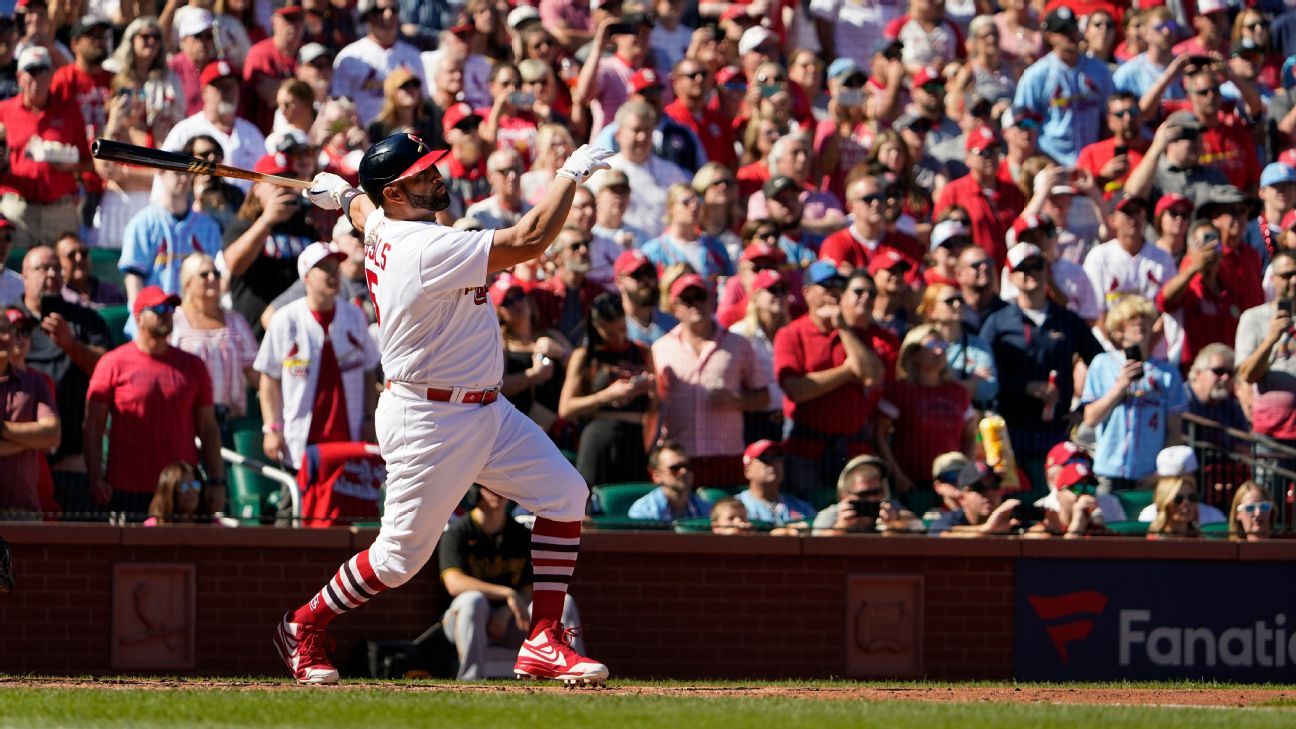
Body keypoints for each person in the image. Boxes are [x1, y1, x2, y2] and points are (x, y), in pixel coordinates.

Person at [283, 135, 615, 685]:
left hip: (484, 408)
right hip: (428, 418)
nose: (437, 176)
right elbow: (529, 238)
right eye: (422, 174)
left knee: (565, 495)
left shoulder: (387, 222)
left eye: (433, 166)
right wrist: (569, 175)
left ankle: (544, 640)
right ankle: (304, 624)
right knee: (396, 560)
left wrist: (344, 196)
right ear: (395, 191)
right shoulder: (420, 247)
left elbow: (368, 213)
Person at [84, 286, 225, 520]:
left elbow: (208, 428)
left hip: (181, 492)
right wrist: (96, 479)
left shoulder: (193, 366)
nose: (166, 313)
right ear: (138, 317)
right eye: (157, 308)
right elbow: (93, 426)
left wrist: (217, 481)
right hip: (127, 488)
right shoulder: (112, 363)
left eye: (170, 307)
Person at [980, 243, 1104, 500]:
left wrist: (1084, 409)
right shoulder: (997, 322)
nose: (1030, 274)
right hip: (1011, 431)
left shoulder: (1067, 320)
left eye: (1036, 266)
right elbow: (984, 376)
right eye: (1022, 269)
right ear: (1010, 276)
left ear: (1047, 270)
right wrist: (1023, 386)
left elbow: (1102, 364)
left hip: (1055, 430)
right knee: (1017, 500)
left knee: (1058, 499)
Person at [439, 484, 585, 680]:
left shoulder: (519, 534)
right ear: (475, 492)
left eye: (501, 488)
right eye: (489, 488)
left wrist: (506, 612)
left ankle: (574, 673)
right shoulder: (458, 532)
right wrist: (507, 594)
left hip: (512, 619)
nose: (497, 493)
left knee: (564, 601)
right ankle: (470, 681)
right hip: (465, 620)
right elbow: (454, 583)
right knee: (474, 601)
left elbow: (528, 589)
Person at [254, 243, 380, 470]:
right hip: (301, 440)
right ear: (306, 277)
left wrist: (369, 418)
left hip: (347, 436)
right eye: (324, 268)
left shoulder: (354, 316)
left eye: (335, 267)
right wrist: (271, 428)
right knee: (297, 503)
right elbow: (268, 377)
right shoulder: (286, 319)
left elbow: (369, 370)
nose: (333, 274)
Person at [774, 265, 892, 497]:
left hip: (853, 447)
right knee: (813, 516)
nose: (834, 291)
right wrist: (847, 373)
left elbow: (872, 376)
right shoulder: (791, 334)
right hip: (807, 449)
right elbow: (796, 389)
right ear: (807, 292)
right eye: (826, 286)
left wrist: (843, 328)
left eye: (839, 286)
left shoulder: (856, 331)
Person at [14, 246, 110, 519]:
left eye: (57, 268)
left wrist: (70, 344)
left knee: (77, 545)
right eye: (43, 268)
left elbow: (107, 369)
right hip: (20, 458)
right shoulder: (8, 321)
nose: (52, 274)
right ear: (24, 275)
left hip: (72, 461)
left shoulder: (85, 319)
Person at [652, 273, 769, 488]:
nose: (695, 304)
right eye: (687, 299)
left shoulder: (738, 344)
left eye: (700, 296)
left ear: (711, 300)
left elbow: (763, 396)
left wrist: (736, 400)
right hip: (680, 458)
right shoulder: (661, 348)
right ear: (675, 307)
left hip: (726, 454)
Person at [1081, 296, 1187, 491]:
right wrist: (1119, 387)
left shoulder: (1167, 373)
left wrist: (1160, 471)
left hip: (1149, 473)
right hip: (1109, 471)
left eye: (1145, 318)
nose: (1140, 323)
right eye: (1132, 319)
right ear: (1119, 331)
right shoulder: (1102, 364)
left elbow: (1174, 430)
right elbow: (1090, 418)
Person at [875, 324, 976, 514]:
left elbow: (970, 436)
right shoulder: (898, 391)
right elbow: (880, 436)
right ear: (913, 352)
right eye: (931, 345)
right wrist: (897, 475)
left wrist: (966, 473)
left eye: (943, 345)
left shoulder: (958, 392)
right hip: (911, 483)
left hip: (951, 482)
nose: (939, 351)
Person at [558, 292, 655, 487]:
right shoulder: (585, 356)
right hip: (598, 437)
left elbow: (656, 405)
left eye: (622, 329)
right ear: (596, 328)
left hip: (635, 438)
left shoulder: (643, 352)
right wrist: (607, 395)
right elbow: (565, 408)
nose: (618, 338)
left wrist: (648, 388)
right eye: (610, 333)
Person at [0, 47, 92, 248]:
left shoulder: (69, 110)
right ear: (19, 77)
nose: (37, 77)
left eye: (43, 70)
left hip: (60, 210)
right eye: (31, 71)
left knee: (62, 272)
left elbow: (87, 163)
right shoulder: (4, 111)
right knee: (14, 270)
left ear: (51, 75)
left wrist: (67, 166)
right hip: (18, 209)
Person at [222, 155, 322, 339]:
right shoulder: (243, 224)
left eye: (288, 181)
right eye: (276, 182)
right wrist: (267, 220)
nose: (284, 188)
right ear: (257, 188)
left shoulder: (306, 228)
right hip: (255, 333)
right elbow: (234, 265)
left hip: (299, 331)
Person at [170, 253, 258, 443]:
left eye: (216, 273)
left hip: (230, 421)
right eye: (204, 274)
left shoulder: (236, 320)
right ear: (187, 284)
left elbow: (255, 372)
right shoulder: (175, 321)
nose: (213, 278)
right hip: (188, 419)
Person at [1013, 7, 1114, 166]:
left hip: (1094, 163)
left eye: (1073, 28)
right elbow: (1023, 123)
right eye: (1064, 31)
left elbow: (1109, 117)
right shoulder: (1036, 75)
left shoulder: (1099, 70)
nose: (1071, 35)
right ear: (1050, 36)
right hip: (1052, 161)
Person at [119, 168, 224, 320]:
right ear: (161, 173)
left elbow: (217, 277)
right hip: (157, 314)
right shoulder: (142, 223)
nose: (184, 178)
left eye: (188, 174)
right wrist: (139, 316)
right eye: (178, 172)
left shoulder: (209, 226)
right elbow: (134, 277)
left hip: (197, 318)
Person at [1235, 251, 1296, 509]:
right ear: (1272, 279)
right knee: (1271, 507)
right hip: (1271, 436)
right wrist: (1272, 337)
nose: (1293, 281)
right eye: (1286, 275)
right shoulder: (1254, 318)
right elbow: (1247, 373)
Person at [158, 60, 266, 196]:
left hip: (244, 213)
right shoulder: (184, 131)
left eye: (232, 85)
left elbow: (265, 180)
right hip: (197, 213)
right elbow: (164, 178)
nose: (228, 92)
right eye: (221, 86)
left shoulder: (252, 134)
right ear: (204, 92)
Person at [586, 102, 690, 239]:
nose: (642, 137)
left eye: (647, 130)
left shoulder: (672, 173)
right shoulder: (602, 171)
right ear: (618, 135)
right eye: (636, 130)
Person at [933, 126, 1024, 267]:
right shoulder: (953, 192)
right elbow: (941, 239)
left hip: (1010, 275)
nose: (990, 157)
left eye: (994, 150)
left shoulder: (1013, 191)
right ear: (967, 158)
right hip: (973, 274)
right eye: (983, 152)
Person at [0, 310, 59, 519]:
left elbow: (52, 435)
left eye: (9, 331)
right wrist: (29, 440)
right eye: (0, 331)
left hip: (23, 510)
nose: (7, 337)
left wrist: (3, 430)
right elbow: (41, 438)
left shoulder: (35, 383)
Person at [331, 0, 424, 125]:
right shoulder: (349, 56)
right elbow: (338, 103)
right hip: (364, 136)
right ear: (368, 15)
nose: (388, 15)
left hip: (402, 137)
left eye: (394, 10)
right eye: (380, 10)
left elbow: (423, 100)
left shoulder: (413, 55)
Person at [729, 269, 791, 444]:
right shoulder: (739, 334)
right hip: (753, 420)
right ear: (755, 297)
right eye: (772, 290)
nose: (779, 295)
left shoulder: (791, 333)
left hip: (788, 419)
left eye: (783, 290)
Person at [919, 283, 998, 410]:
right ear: (931, 311)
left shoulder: (979, 345)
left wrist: (942, 383)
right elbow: (919, 387)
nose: (957, 304)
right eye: (949, 301)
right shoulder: (920, 342)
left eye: (960, 299)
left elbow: (989, 389)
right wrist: (969, 383)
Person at [640, 184, 735, 282]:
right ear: (670, 209)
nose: (694, 206)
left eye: (698, 202)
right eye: (686, 202)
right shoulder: (654, 251)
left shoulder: (715, 247)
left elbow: (730, 284)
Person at [531, 226, 606, 347]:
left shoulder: (597, 292)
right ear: (557, 257)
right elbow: (535, 334)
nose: (583, 250)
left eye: (586, 244)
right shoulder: (542, 294)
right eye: (575, 246)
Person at [811, 454, 922, 535]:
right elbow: (814, 544)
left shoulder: (891, 510)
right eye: (864, 494)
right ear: (845, 497)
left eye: (877, 492)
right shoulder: (833, 515)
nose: (872, 498)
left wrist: (894, 526)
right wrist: (840, 528)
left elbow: (919, 529)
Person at [734, 439, 815, 528]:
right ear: (747, 471)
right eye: (765, 458)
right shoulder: (734, 506)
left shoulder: (802, 507)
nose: (773, 463)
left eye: (778, 457)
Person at [928, 460, 1021, 537]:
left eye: (994, 486)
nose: (989, 492)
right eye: (978, 488)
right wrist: (986, 529)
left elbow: (1034, 531)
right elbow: (938, 533)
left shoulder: (1012, 515)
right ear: (962, 498)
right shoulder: (951, 519)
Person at [628, 440, 711, 521]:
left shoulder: (707, 510)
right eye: (675, 468)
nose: (683, 471)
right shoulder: (643, 512)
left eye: (687, 466)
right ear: (656, 475)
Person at [1028, 460, 1112, 537]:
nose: (1084, 494)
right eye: (1077, 488)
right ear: (1059, 494)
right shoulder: (1045, 529)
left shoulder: (1098, 531)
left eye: (1090, 488)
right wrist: (1077, 521)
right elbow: (1067, 551)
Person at [614, 250, 677, 348]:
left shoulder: (674, 324)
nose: (645, 279)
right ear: (619, 282)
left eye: (649, 272)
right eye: (637, 274)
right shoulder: (613, 329)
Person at [465, 149, 533, 229]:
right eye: (505, 171)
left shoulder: (533, 211)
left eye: (517, 169)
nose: (513, 176)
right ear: (490, 176)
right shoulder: (478, 214)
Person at [56, 233, 124, 309]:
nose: (79, 258)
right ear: (59, 262)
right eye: (71, 255)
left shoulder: (110, 291)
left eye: (84, 253)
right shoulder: (59, 297)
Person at [142, 461, 205, 526]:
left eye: (195, 485)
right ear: (169, 492)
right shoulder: (152, 526)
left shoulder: (213, 524)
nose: (191, 491)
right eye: (183, 486)